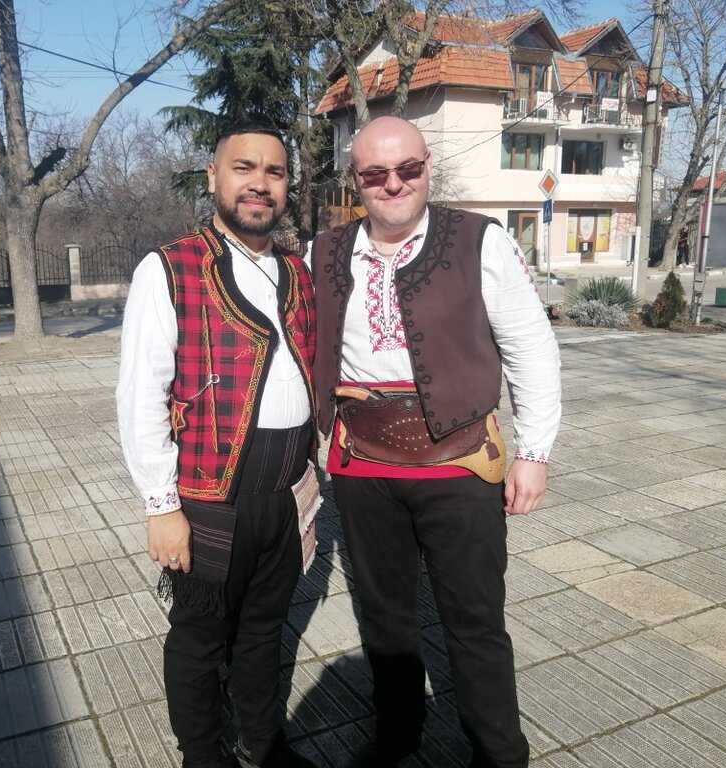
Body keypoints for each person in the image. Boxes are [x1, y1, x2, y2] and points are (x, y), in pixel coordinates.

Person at [310, 116, 561, 768]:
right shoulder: (324, 252)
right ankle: (398, 736)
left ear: (427, 167)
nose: (393, 184)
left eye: (409, 169)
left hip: (459, 462)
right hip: (362, 465)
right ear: (355, 181)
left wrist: (533, 453)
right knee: (383, 618)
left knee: (474, 622)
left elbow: (531, 348)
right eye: (375, 173)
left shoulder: (481, 241)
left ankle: (500, 754)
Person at [117, 123, 320, 768]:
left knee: (263, 631)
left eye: (274, 172)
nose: (260, 184)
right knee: (200, 639)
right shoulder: (169, 267)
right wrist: (160, 505)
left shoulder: (296, 269)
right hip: (209, 498)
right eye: (243, 168)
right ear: (213, 178)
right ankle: (202, 756)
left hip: (286, 493)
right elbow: (140, 395)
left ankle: (261, 745)